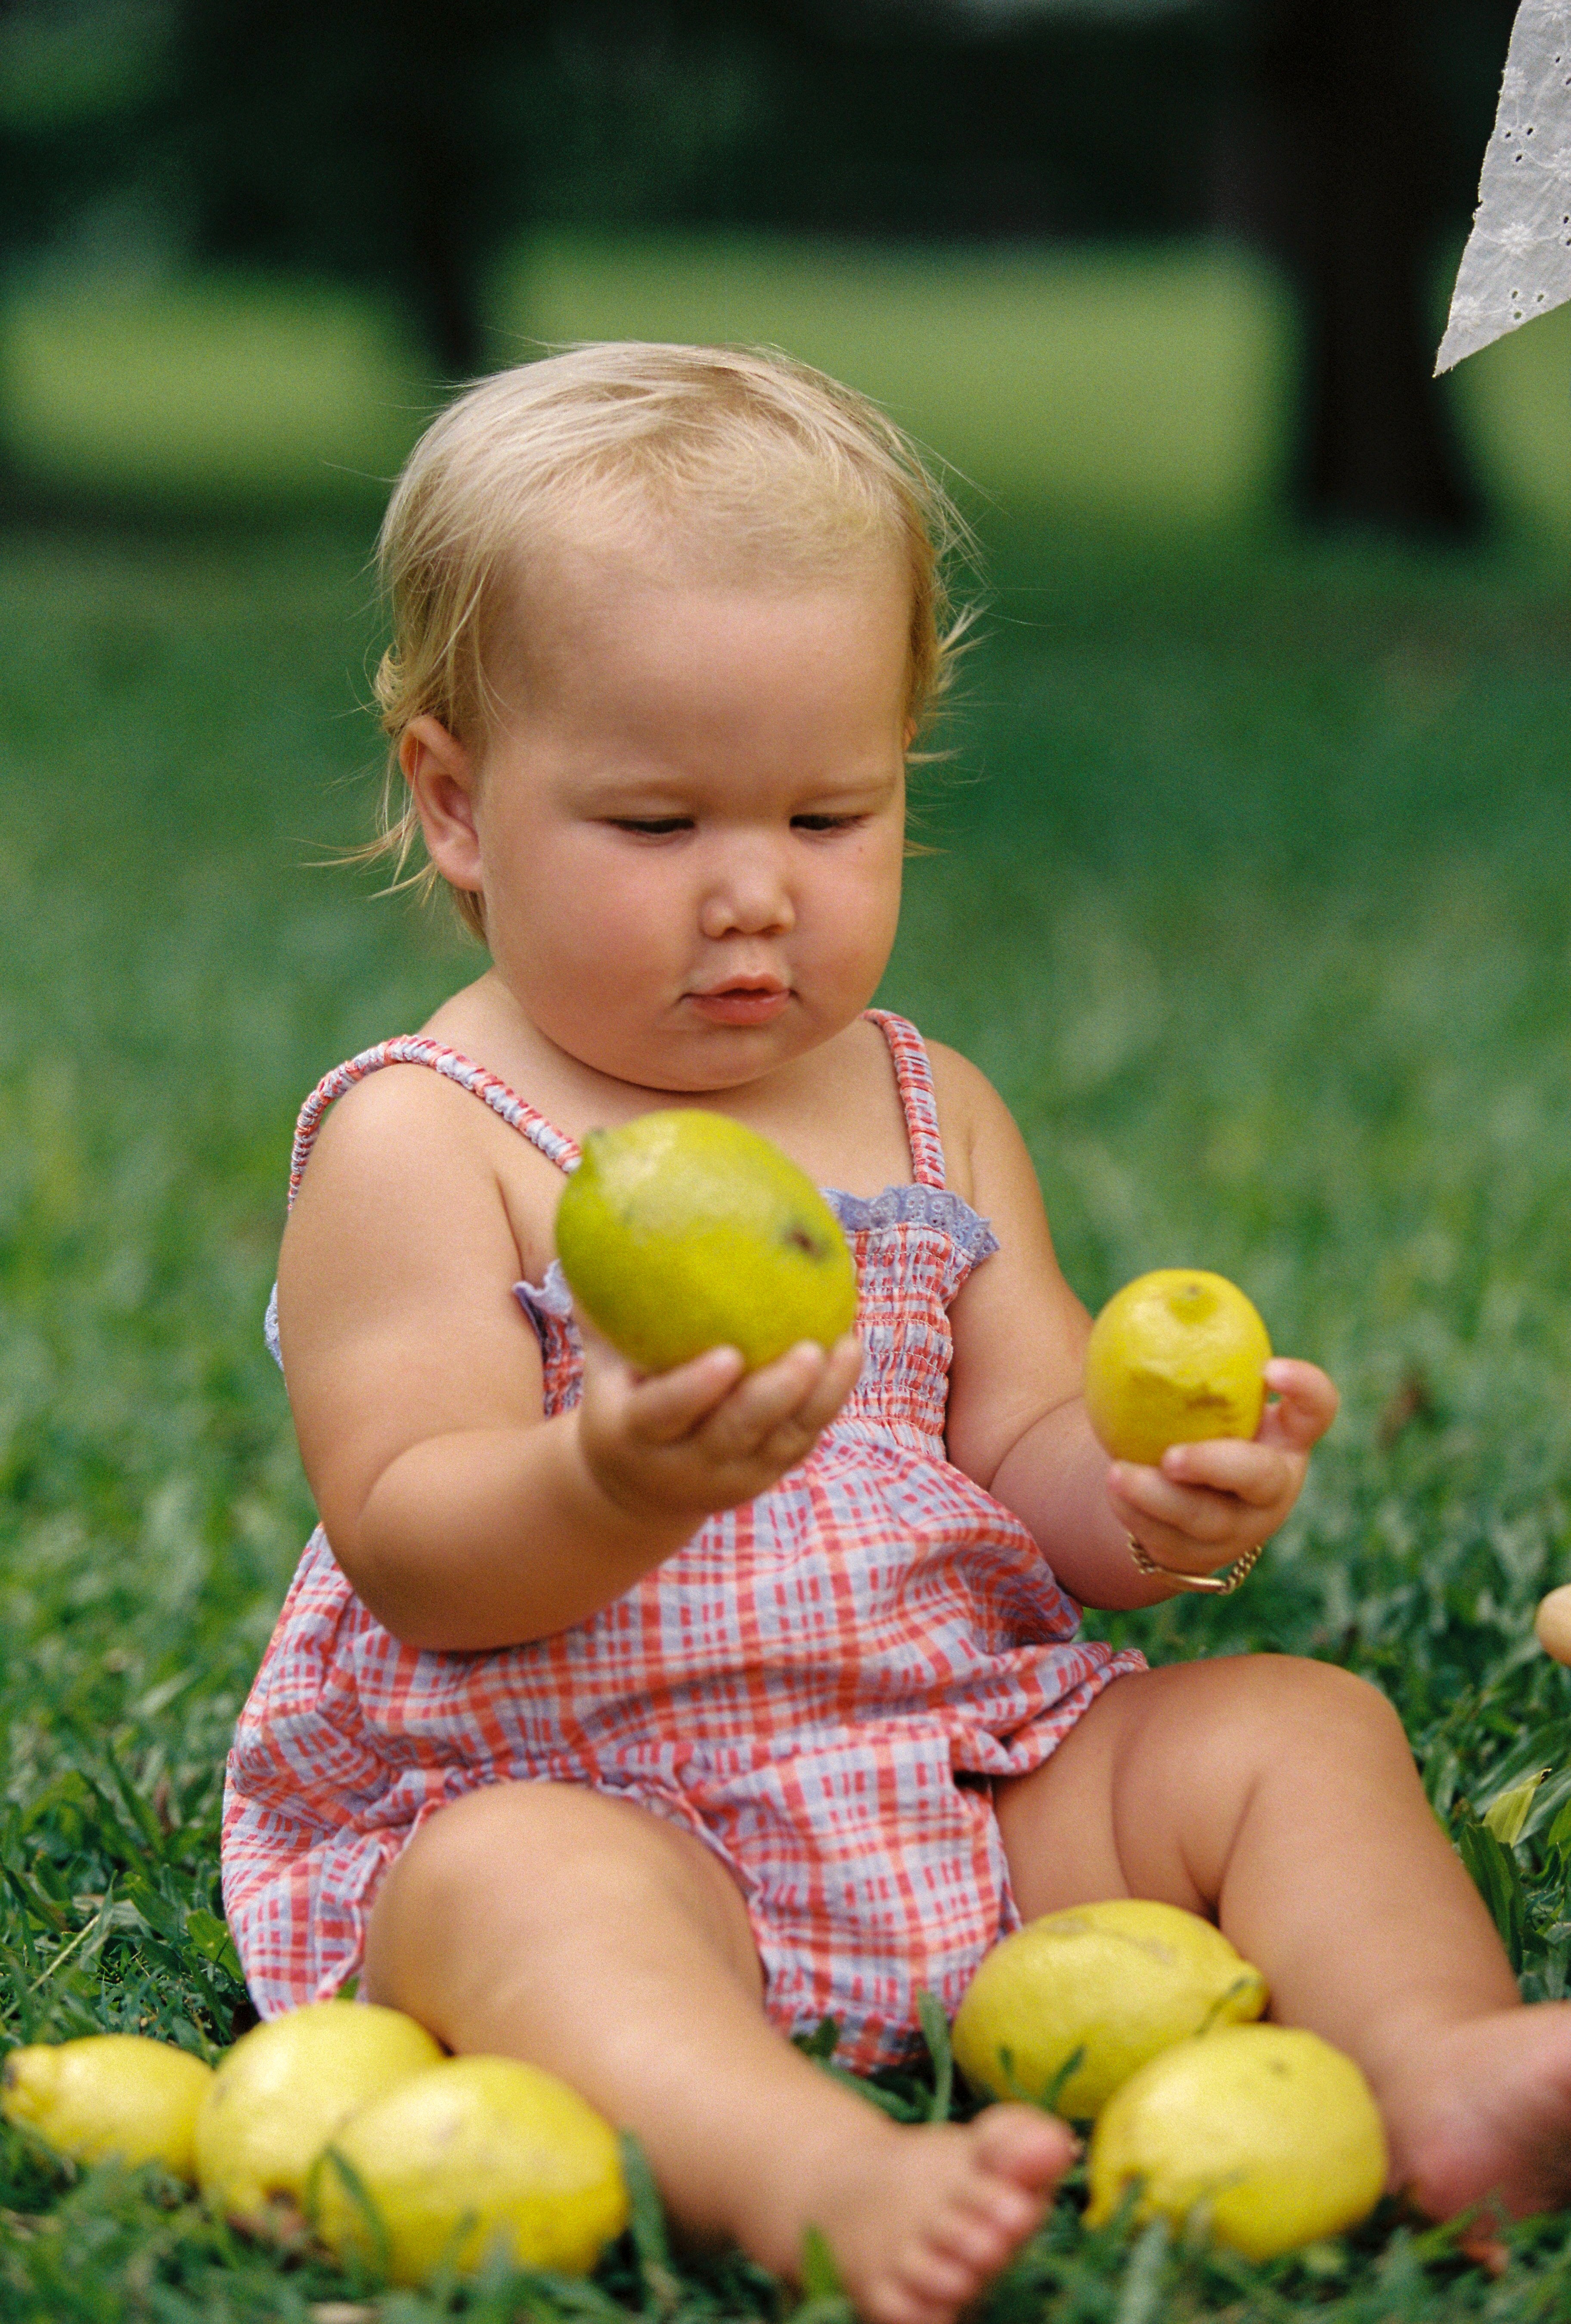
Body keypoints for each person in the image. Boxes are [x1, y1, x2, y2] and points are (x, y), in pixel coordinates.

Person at [224, 344, 1571, 2324]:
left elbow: (1024, 1456)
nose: (755, 895)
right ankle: (810, 2171)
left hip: (945, 1771)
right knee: (518, 1889)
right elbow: (413, 1538)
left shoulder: (927, 1103)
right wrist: (606, 1478)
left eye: (831, 813)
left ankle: (1441, 2073)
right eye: (661, 824)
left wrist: (1153, 1500)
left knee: (1294, 1729)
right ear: (458, 802)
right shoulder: (429, 1141)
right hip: (595, 1792)